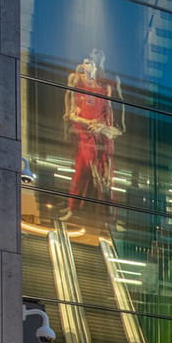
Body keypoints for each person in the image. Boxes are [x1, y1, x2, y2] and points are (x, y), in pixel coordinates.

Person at [64, 49, 122, 228]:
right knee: (82, 170)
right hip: (84, 133)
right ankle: (72, 208)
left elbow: (110, 115)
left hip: (101, 135)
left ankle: (109, 216)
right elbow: (70, 113)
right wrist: (88, 122)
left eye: (91, 63)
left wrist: (104, 127)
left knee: (106, 174)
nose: (87, 66)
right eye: (86, 62)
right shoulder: (77, 82)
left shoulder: (105, 88)